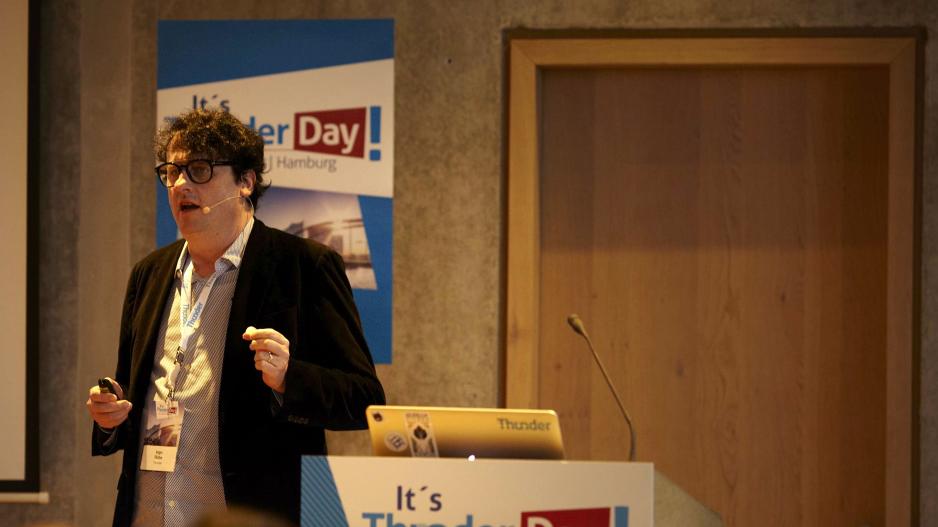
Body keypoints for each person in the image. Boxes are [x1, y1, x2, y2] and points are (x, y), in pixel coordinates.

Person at [85, 109, 385, 527]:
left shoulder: (303, 267)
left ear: (245, 181)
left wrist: (288, 379)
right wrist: (111, 418)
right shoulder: (149, 274)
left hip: (248, 515)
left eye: (200, 170)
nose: (180, 184)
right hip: (148, 515)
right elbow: (133, 398)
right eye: (171, 172)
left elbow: (364, 398)